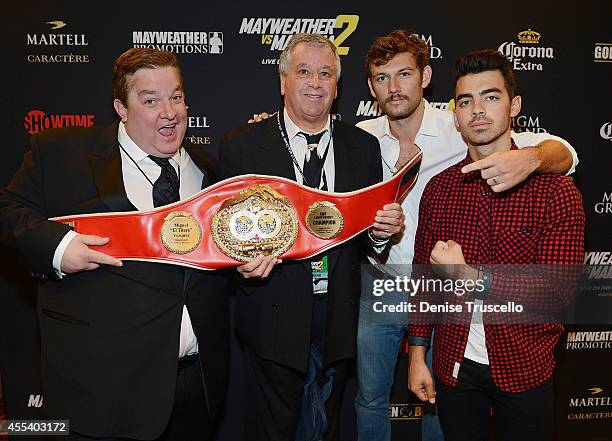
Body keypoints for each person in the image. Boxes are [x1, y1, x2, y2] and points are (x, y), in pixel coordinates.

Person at [353, 30, 579, 441]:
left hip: (520, 357)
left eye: (491, 98)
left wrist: (534, 158)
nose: (477, 111)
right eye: (466, 102)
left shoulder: (551, 188)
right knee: (374, 398)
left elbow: (558, 291)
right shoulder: (368, 143)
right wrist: (419, 353)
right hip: (401, 297)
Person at [0, 48, 230, 441]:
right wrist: (58, 247)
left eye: (175, 96)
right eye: (150, 100)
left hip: (196, 390)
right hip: (104, 393)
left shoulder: (210, 170)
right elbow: (8, 212)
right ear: (120, 108)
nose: (169, 112)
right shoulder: (62, 153)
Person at [219, 33, 403, 441]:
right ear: (283, 80)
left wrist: (380, 234)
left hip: (337, 319)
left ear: (337, 88)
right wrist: (242, 267)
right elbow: (222, 236)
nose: (314, 83)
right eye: (303, 72)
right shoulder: (242, 147)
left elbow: (367, 242)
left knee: (327, 429)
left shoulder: (364, 148)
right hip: (271, 320)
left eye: (325, 74)